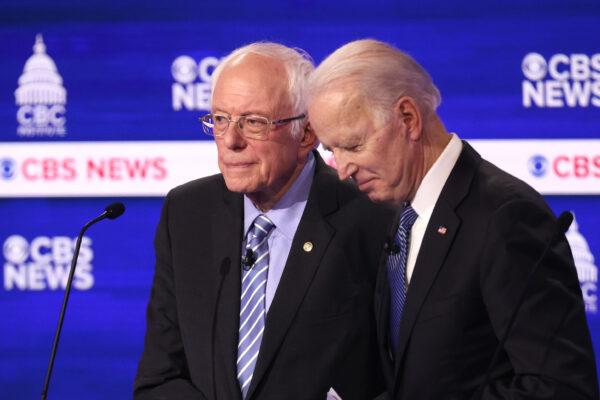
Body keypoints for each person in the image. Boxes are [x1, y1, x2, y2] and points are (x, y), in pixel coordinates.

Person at [307, 38, 599, 399]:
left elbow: (561, 387)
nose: (343, 169)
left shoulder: (505, 216)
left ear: (408, 118)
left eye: (352, 145)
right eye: (332, 150)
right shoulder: (394, 214)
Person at [134, 42, 392, 400]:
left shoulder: (372, 217)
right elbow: (159, 378)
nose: (230, 141)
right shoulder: (187, 212)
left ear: (306, 133)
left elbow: (402, 378)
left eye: (254, 122)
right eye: (220, 119)